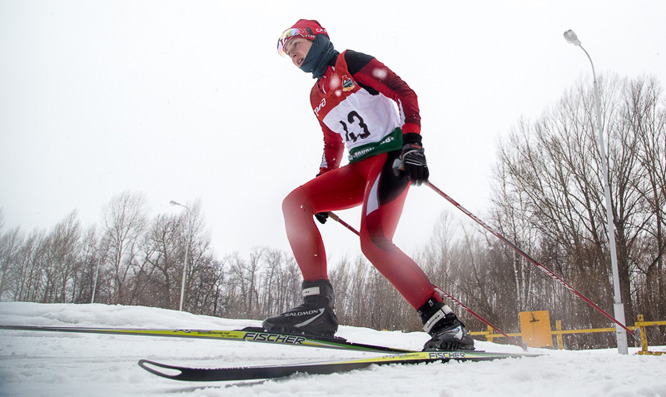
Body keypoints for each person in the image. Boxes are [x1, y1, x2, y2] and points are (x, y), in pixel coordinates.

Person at [263, 19, 474, 351]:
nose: (293, 56)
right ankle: (316, 308)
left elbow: (403, 91)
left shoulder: (351, 62)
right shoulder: (316, 95)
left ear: (317, 39)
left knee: (373, 242)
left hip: (391, 157)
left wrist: (413, 144)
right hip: (358, 168)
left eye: (296, 46)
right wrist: (324, 180)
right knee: (295, 203)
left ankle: (448, 326)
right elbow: (333, 142)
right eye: (288, 53)